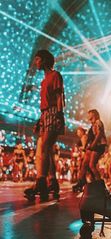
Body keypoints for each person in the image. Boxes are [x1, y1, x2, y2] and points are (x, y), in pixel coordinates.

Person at [24, 49, 65, 200]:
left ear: (44, 60)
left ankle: (41, 182)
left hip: (54, 113)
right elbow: (44, 104)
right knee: (48, 151)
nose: (36, 62)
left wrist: (59, 115)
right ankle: (52, 182)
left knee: (45, 147)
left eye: (37, 59)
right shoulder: (43, 81)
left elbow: (59, 96)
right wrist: (39, 120)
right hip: (45, 115)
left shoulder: (55, 75)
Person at [72, 109, 107, 192]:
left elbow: (99, 134)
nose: (88, 117)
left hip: (98, 146)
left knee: (91, 165)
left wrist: (93, 145)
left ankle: (100, 186)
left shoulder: (98, 122)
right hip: (93, 146)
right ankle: (81, 181)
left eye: (90, 115)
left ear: (94, 115)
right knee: (85, 164)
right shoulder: (93, 125)